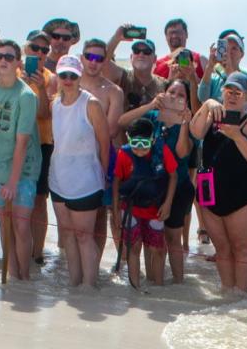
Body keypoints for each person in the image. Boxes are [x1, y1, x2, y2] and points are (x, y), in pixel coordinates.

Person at [189, 71, 247, 294]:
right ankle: (227, 294)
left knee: (242, 248)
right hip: (211, 192)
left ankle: (242, 297)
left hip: (241, 195)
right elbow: (195, 132)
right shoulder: (214, 115)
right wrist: (207, 105)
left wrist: (236, 136)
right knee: (221, 248)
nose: (233, 96)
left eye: (238, 92)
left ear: (246, 97)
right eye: (228, 91)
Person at [0, 38, 42, 281]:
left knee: (21, 227)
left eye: (9, 57)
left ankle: (24, 277)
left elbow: (22, 142)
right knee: (5, 228)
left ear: (18, 62)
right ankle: (13, 278)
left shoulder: (26, 95)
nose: (3, 61)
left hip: (22, 171)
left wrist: (13, 182)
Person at [119, 77, 196, 283]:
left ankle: (179, 283)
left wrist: (185, 123)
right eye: (171, 92)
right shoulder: (152, 116)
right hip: (153, 187)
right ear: (163, 93)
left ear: (187, 102)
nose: (175, 98)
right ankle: (154, 281)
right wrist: (150, 105)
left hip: (178, 187)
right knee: (150, 240)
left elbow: (182, 152)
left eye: (181, 95)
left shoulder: (189, 123)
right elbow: (122, 122)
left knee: (173, 238)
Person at [48, 53, 110, 288]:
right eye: (63, 74)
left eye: (72, 75)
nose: (67, 79)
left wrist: (102, 176)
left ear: (79, 76)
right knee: (68, 235)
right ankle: (74, 284)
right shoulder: (54, 103)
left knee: (85, 236)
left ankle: (89, 286)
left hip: (86, 181)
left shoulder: (91, 103)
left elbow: (104, 143)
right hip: (58, 180)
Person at [112, 116, 178, 288]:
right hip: (130, 209)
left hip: (154, 210)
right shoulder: (123, 154)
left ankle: (158, 287)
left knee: (158, 249)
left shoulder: (161, 151)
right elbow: (116, 182)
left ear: (152, 139)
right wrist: (115, 212)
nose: (140, 149)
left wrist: (168, 204)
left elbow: (173, 175)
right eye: (135, 144)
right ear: (128, 139)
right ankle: (135, 288)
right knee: (134, 248)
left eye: (144, 144)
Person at [78, 38, 124, 260]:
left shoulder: (113, 91)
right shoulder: (69, 82)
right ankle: (73, 266)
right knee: (71, 218)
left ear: (105, 61)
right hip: (71, 159)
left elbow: (111, 129)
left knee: (98, 217)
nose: (93, 62)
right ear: (82, 58)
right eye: (89, 57)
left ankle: (94, 268)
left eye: (99, 58)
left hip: (101, 158)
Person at [20, 29, 55, 265]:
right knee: (17, 197)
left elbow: (44, 113)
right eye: (35, 48)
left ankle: (37, 253)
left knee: (40, 199)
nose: (40, 53)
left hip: (42, 142)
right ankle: (17, 249)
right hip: (16, 143)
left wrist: (40, 87)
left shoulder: (51, 78)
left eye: (44, 50)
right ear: (26, 49)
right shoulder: (11, 70)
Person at [103, 30, 161, 111]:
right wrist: (116, 38)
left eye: (146, 52)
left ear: (155, 59)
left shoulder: (163, 85)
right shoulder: (122, 76)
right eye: (136, 51)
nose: (141, 55)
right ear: (131, 57)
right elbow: (102, 62)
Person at [198, 30, 247, 104]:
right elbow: (202, 97)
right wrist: (210, 66)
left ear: (242, 54)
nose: (229, 52)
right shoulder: (214, 78)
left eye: (234, 48)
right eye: (226, 48)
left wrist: (229, 70)